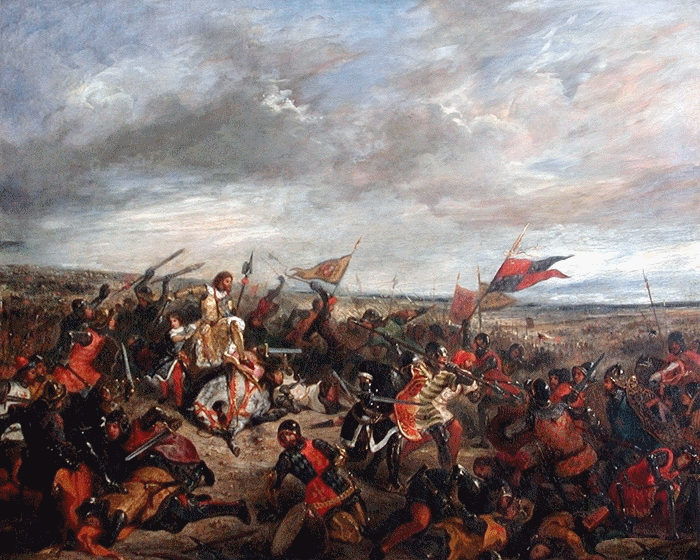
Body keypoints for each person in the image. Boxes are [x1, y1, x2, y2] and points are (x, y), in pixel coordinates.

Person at [265, 419, 367, 554]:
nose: (287, 439)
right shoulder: (287, 458)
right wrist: (272, 504)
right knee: (330, 524)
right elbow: (275, 482)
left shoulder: (317, 443)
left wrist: (339, 458)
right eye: (283, 437)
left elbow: (335, 457)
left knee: (355, 502)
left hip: (334, 479)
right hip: (316, 491)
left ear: (297, 433)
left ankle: (364, 526)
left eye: (289, 434)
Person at [369, 464, 490, 560]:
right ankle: (382, 549)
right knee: (420, 522)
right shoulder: (470, 485)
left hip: (434, 498)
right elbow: (457, 472)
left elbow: (466, 515)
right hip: (424, 486)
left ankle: (379, 532)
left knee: (417, 522)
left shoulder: (478, 504)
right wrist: (452, 497)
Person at [397, 342, 477, 472]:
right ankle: (398, 459)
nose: (443, 360)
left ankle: (449, 469)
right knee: (423, 436)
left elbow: (468, 382)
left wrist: (456, 371)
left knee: (447, 434)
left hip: (433, 409)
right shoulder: (420, 367)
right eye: (440, 357)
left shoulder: (447, 374)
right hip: (417, 406)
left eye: (445, 358)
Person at [608, 445, 697, 539]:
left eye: (689, 462)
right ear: (680, 453)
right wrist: (658, 478)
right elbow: (651, 458)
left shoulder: (675, 473)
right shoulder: (666, 455)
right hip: (630, 483)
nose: (686, 462)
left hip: (644, 490)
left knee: (667, 493)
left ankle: (670, 531)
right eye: (686, 457)